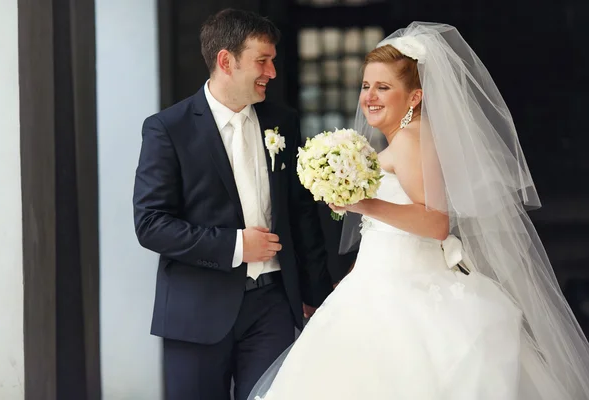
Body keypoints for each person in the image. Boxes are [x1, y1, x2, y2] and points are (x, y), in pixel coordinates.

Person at [249, 22, 589, 399]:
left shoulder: (411, 141)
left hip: (406, 291)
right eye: (365, 86)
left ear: (413, 98)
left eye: (383, 87)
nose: (369, 97)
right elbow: (387, 228)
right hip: (379, 282)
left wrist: (364, 204)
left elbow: (436, 222)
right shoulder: (402, 141)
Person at [133, 9, 332, 400]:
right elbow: (151, 223)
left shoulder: (282, 122)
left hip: (274, 306)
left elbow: (300, 213)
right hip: (197, 309)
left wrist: (317, 294)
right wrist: (237, 246)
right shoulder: (167, 129)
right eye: (262, 60)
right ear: (226, 61)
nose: (272, 72)